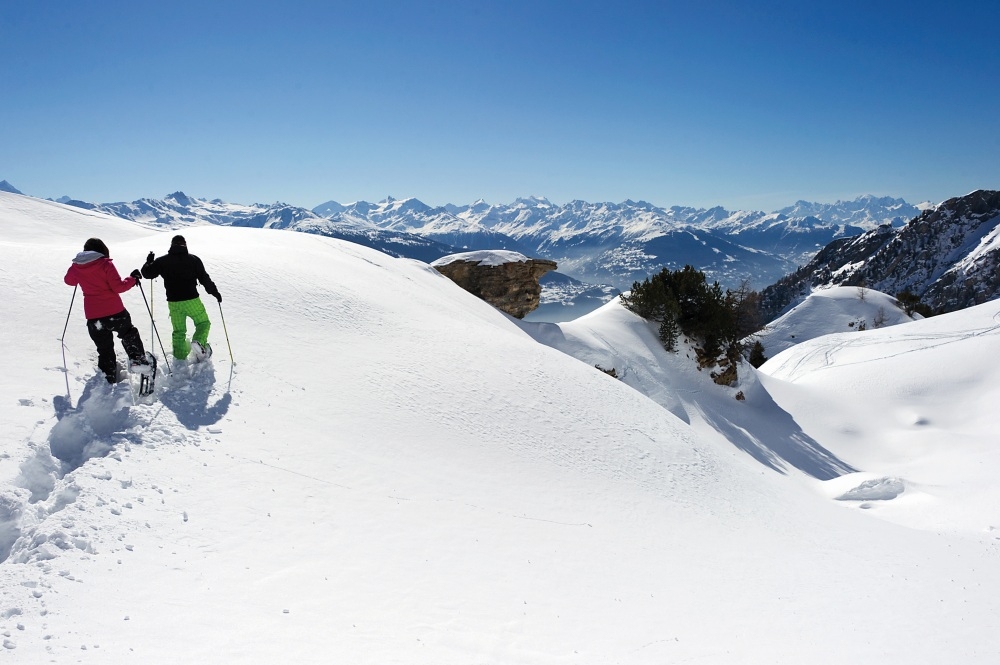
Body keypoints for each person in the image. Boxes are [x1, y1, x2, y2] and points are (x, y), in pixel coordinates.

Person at [64, 238, 151, 384]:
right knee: (128, 333)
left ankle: (107, 376)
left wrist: (80, 273)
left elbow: (69, 281)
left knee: (104, 348)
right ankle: (138, 360)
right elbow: (118, 287)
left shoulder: (76, 266)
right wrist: (133, 279)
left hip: (94, 316)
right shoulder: (105, 263)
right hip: (115, 312)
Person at [141, 235, 221, 362]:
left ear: (172, 245)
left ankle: (179, 357)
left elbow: (147, 274)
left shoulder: (162, 261)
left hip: (173, 302)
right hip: (191, 300)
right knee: (203, 323)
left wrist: (149, 262)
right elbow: (204, 278)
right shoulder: (194, 260)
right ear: (185, 244)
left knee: (179, 331)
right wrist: (214, 292)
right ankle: (198, 342)